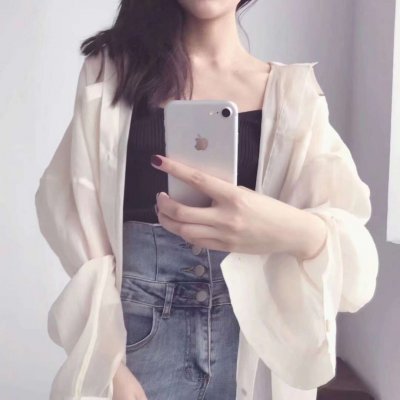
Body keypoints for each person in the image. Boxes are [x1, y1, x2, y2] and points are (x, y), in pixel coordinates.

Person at [34, 1, 379, 400]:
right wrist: (107, 367)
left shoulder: (295, 96)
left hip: (253, 345)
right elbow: (71, 214)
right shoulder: (110, 76)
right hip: (135, 346)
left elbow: (355, 266)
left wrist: (277, 226)